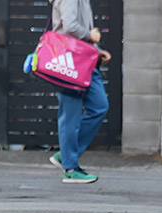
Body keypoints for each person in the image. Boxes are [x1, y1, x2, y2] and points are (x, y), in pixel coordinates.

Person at [47, 0, 111, 184]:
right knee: (70, 115)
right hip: (69, 62)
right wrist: (91, 36)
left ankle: (65, 155)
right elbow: (70, 27)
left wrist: (97, 51)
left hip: (85, 61)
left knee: (99, 107)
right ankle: (70, 168)